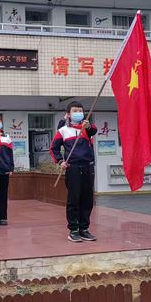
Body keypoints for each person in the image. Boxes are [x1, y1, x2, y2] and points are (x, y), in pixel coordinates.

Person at [50, 101, 98, 242]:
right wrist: (60, 161)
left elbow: (93, 130)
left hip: (88, 167)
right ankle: (73, 230)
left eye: (80, 110)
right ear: (69, 114)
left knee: (87, 200)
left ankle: (84, 228)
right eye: (75, 111)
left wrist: (87, 126)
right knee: (74, 199)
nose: (78, 113)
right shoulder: (63, 130)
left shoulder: (87, 128)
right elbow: (54, 148)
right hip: (73, 168)